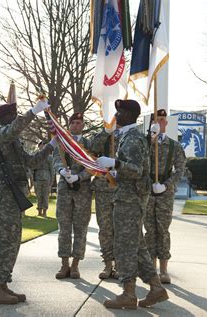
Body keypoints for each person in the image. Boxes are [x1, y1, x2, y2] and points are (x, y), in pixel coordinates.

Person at [96, 99, 168, 309]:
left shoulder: (133, 138)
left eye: (120, 111)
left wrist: (114, 163)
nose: (116, 115)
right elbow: (134, 170)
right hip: (127, 197)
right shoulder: (128, 136)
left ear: (129, 115)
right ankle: (156, 288)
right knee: (137, 247)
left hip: (130, 201)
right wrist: (114, 172)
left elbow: (137, 170)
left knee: (125, 246)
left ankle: (128, 293)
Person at [0, 99, 54, 305]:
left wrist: (50, 146)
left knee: (13, 240)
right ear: (6, 119)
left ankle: (2, 283)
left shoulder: (13, 141)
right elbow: (15, 128)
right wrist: (33, 111)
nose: (17, 120)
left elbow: (31, 161)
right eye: (13, 117)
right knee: (5, 239)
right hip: (3, 195)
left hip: (13, 195)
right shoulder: (2, 135)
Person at [144, 109, 186, 284]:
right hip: (147, 191)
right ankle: (151, 269)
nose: (160, 123)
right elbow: (138, 165)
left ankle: (163, 269)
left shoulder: (174, 146)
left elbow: (180, 169)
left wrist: (166, 184)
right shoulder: (144, 144)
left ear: (166, 123)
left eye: (162, 120)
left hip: (165, 193)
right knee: (149, 230)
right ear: (151, 123)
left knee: (163, 230)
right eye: (156, 120)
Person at [53, 112, 92, 280]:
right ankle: (64, 264)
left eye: (79, 123)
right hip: (64, 189)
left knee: (81, 228)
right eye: (73, 123)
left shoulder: (88, 143)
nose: (76, 125)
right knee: (64, 228)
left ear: (83, 125)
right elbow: (55, 160)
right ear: (69, 125)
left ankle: (75, 265)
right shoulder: (62, 143)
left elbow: (92, 165)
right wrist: (62, 171)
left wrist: (79, 176)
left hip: (82, 189)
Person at [89, 128, 119, 279]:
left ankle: (120, 265)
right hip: (103, 188)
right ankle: (108, 264)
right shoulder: (101, 136)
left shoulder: (130, 135)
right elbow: (92, 149)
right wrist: (106, 132)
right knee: (105, 229)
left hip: (122, 188)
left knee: (121, 230)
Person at [32, 141, 54, 217]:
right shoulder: (36, 156)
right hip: (37, 178)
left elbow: (52, 169)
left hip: (46, 178)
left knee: (45, 195)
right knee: (38, 195)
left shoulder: (50, 157)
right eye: (41, 145)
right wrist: (32, 181)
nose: (42, 146)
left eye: (44, 145)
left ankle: (44, 211)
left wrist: (52, 180)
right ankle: (39, 211)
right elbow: (32, 168)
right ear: (39, 146)